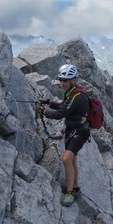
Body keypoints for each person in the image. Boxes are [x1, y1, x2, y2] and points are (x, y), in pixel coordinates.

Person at [36, 64, 90, 207]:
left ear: (73, 80)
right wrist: (48, 102)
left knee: (66, 158)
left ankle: (70, 193)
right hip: (73, 130)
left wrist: (44, 112)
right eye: (61, 79)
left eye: (65, 80)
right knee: (72, 160)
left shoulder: (77, 95)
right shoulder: (72, 92)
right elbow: (65, 105)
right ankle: (76, 187)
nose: (62, 82)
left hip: (80, 132)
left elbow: (62, 113)